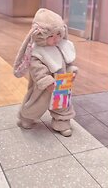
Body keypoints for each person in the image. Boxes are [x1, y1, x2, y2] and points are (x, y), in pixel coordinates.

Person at [13, 8, 78, 137]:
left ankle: (62, 123)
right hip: (43, 86)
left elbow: (67, 63)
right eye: (51, 36)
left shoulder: (62, 45)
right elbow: (36, 69)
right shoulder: (36, 51)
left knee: (63, 104)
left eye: (59, 34)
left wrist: (72, 71)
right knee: (36, 103)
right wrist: (46, 80)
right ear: (40, 35)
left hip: (62, 82)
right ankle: (27, 118)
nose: (56, 39)